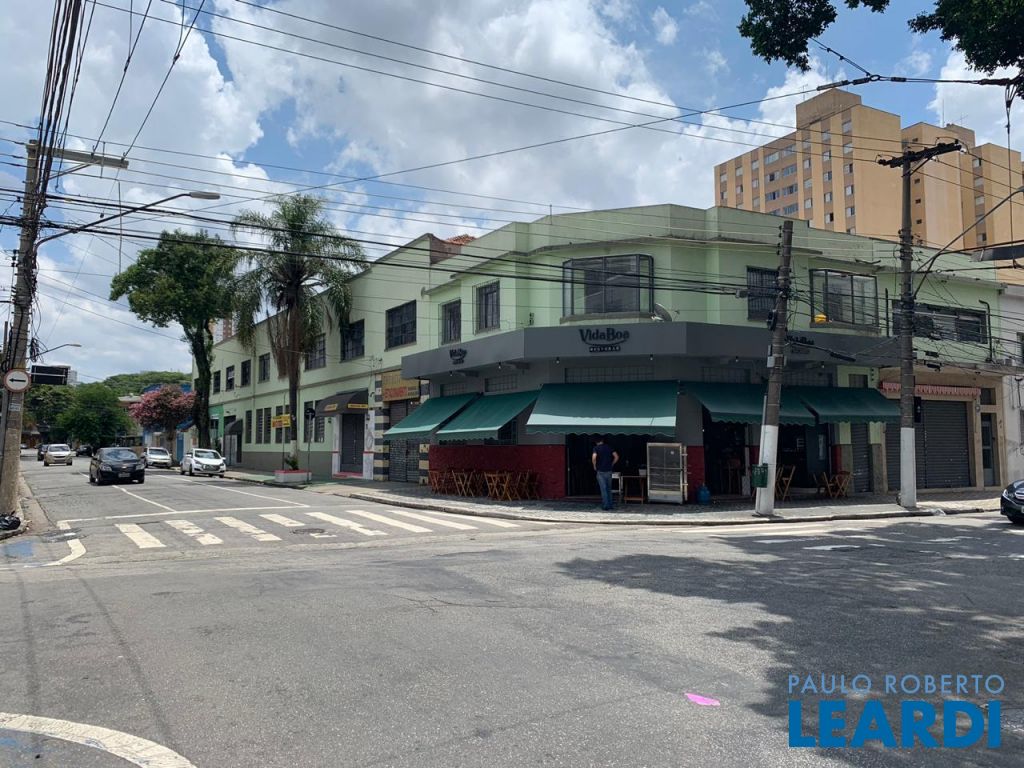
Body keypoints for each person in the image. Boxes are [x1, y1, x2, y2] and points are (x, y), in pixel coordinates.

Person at [592, 436, 620, 511]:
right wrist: (612, 464)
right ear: (603, 440)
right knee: (608, 488)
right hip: (609, 471)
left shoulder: (596, 448)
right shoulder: (609, 447)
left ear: (596, 442)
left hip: (600, 471)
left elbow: (594, 457)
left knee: (603, 489)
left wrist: (594, 466)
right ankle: (610, 505)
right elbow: (616, 457)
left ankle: (606, 505)